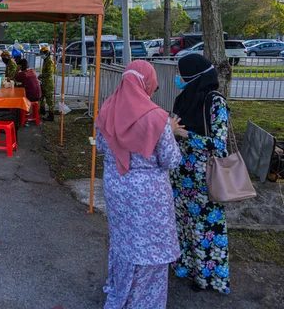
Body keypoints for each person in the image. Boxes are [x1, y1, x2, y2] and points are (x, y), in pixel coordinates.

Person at [96, 60, 183, 309]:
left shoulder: (107, 109)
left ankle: (120, 290)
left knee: (124, 241)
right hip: (149, 196)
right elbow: (170, 159)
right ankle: (143, 302)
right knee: (150, 249)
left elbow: (102, 146)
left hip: (116, 186)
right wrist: (172, 133)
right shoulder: (157, 117)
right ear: (148, 82)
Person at [171, 54, 231, 294]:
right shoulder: (183, 98)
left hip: (205, 178)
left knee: (205, 230)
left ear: (196, 76)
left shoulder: (215, 102)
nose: (181, 79)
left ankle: (208, 279)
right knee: (183, 225)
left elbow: (219, 144)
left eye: (184, 75)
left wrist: (186, 135)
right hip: (180, 175)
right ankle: (185, 268)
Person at [38, 46, 55, 121]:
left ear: (47, 53)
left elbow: (49, 73)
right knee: (41, 98)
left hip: (48, 83)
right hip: (44, 83)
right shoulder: (45, 60)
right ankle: (42, 112)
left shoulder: (49, 61)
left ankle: (51, 116)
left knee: (49, 100)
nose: (41, 55)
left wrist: (41, 76)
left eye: (42, 53)